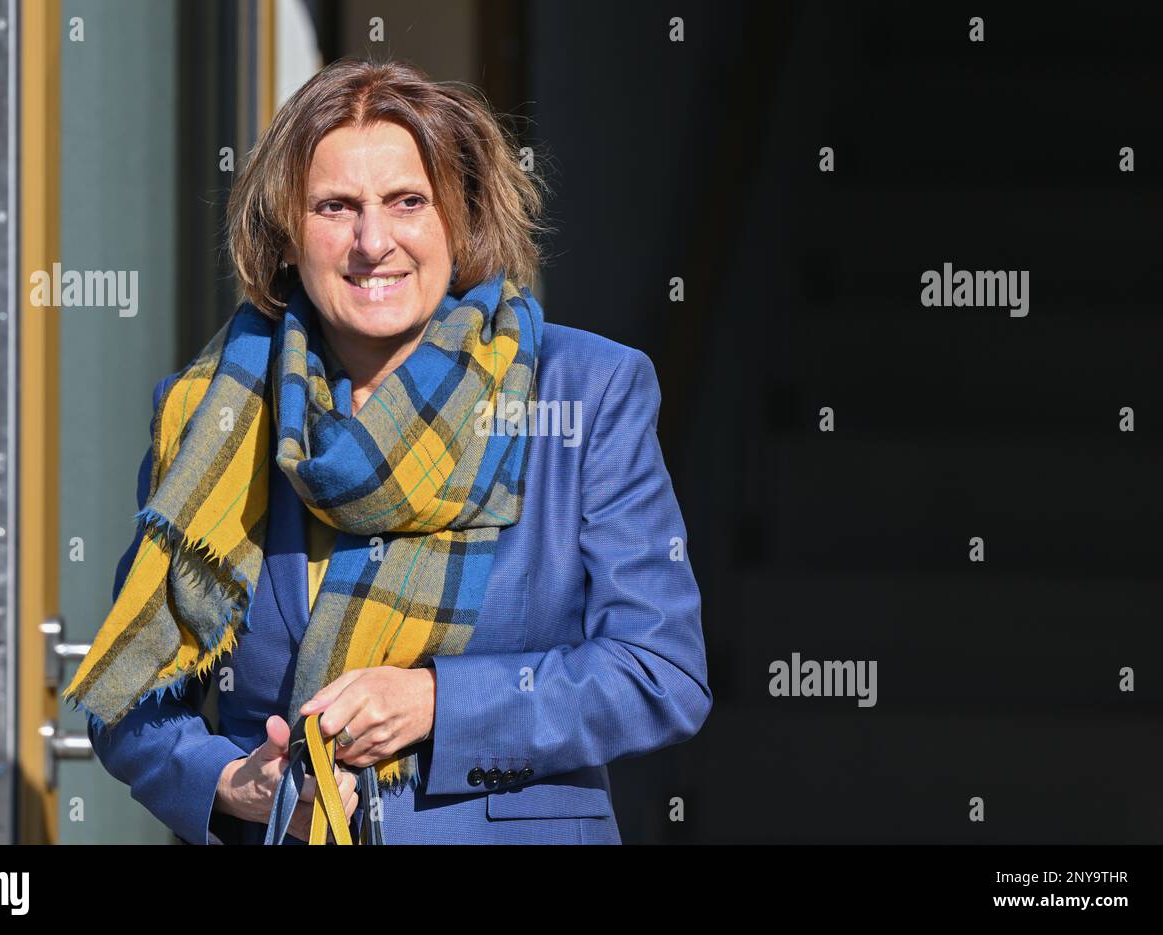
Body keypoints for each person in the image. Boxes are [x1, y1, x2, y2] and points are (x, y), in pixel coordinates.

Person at [67, 56, 711, 845]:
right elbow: (130, 698)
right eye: (335, 207)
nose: (374, 241)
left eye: (408, 201)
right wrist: (237, 784)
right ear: (286, 232)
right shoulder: (211, 414)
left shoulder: (589, 390)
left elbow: (661, 673)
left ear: (461, 216)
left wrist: (438, 705)